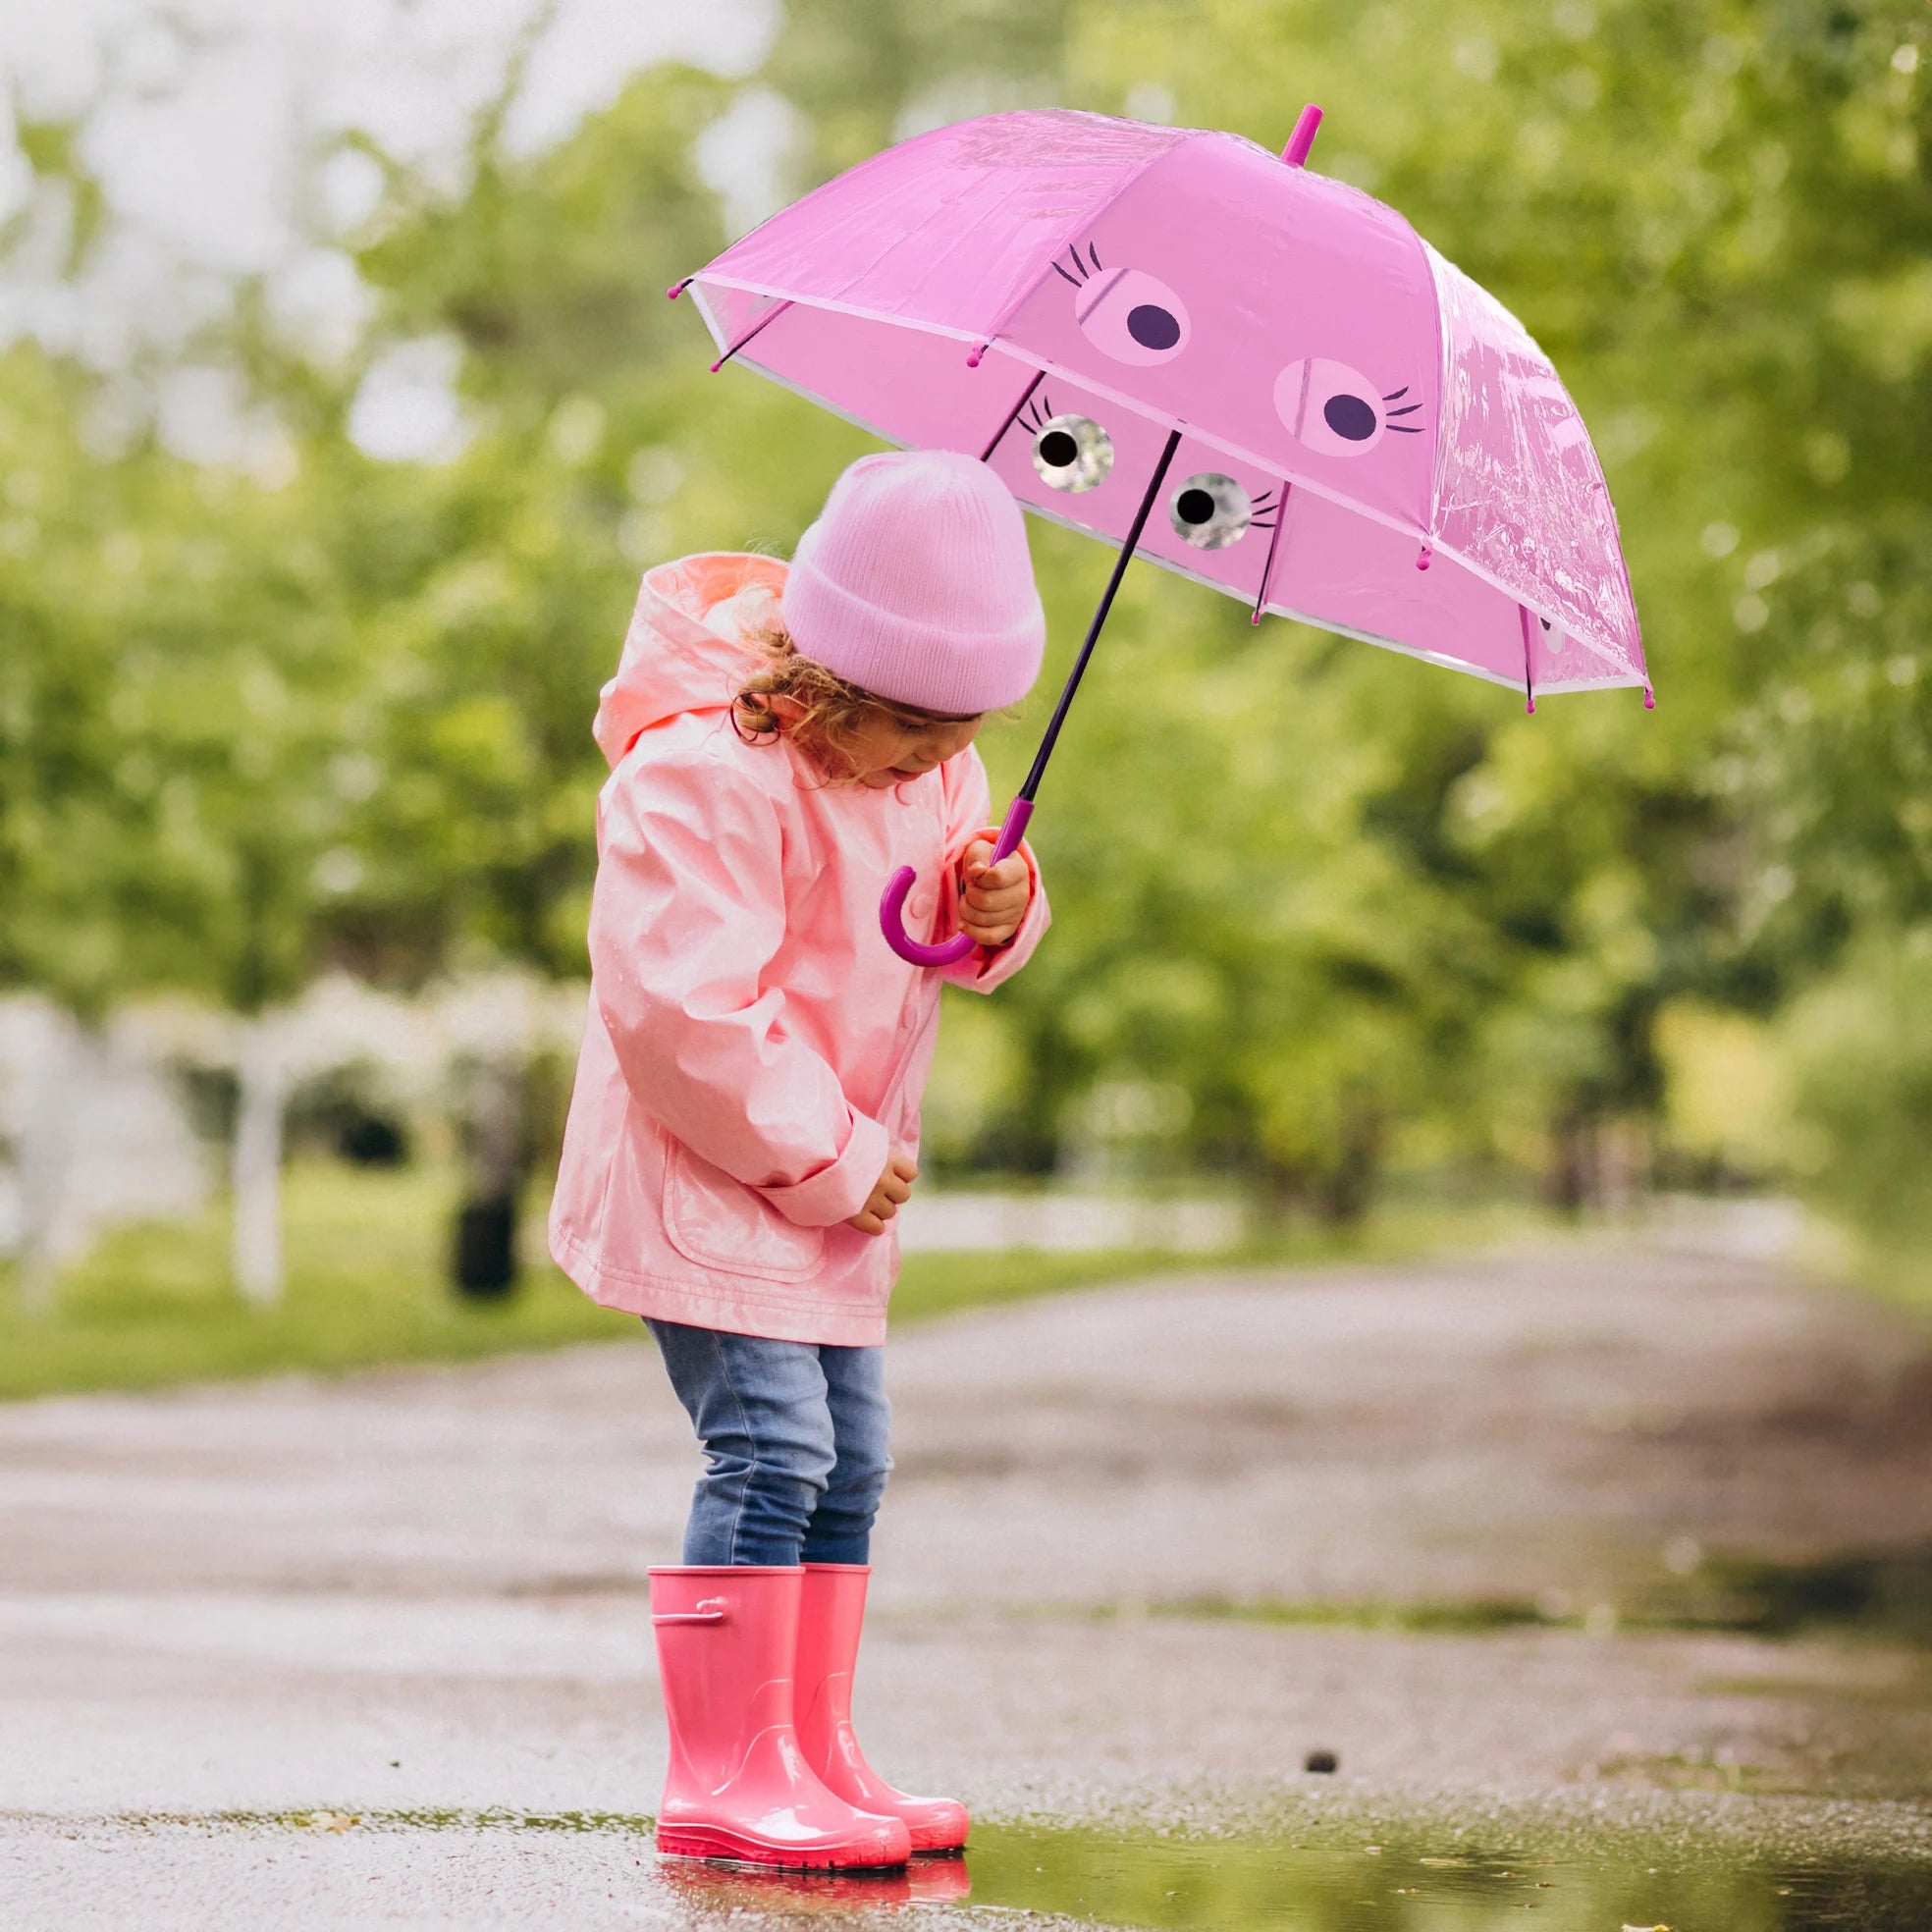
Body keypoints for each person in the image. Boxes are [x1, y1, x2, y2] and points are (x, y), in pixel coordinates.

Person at [548, 449, 1051, 1869]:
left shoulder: (927, 762)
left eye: (967, 735)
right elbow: (681, 1008)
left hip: (827, 1185)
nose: (942, 763)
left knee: (852, 1460)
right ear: (828, 679)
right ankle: (724, 1767)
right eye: (913, 731)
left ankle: (813, 1748)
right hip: (716, 1172)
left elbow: (949, 919)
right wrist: (832, 1155)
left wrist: (998, 904)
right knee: (771, 1447)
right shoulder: (702, 774)